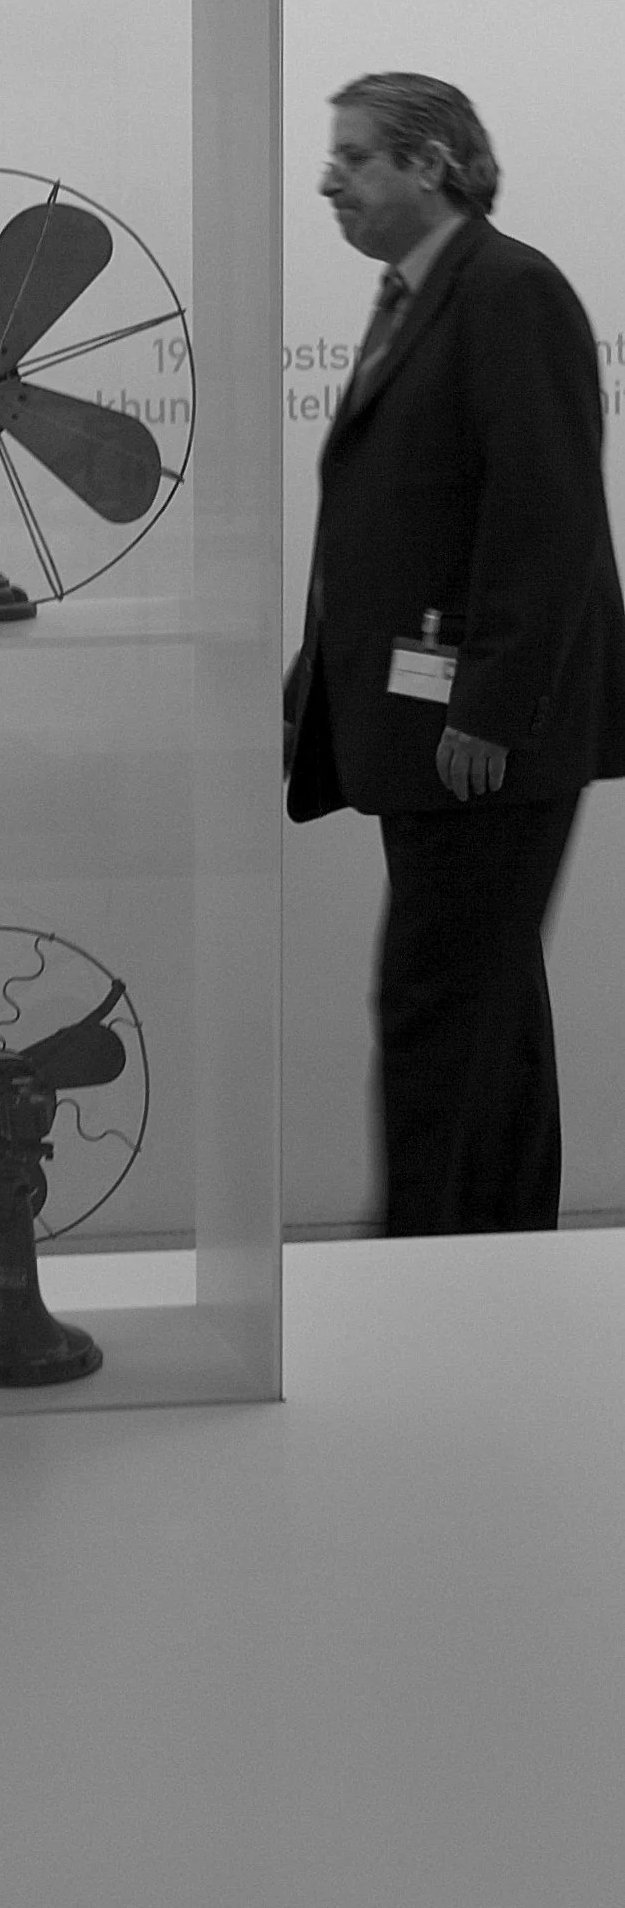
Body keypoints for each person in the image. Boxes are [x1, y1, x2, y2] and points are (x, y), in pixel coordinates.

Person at [284, 71, 625, 1233]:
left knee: (436, 1008)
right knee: (488, 1011)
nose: (328, 179)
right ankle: (498, 1260)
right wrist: (309, 694)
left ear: (430, 165)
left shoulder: (508, 291)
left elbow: (547, 517)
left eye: (355, 156)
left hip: (483, 741)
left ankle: (420, 1267)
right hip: (436, 732)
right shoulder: (416, 294)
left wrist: (488, 707)